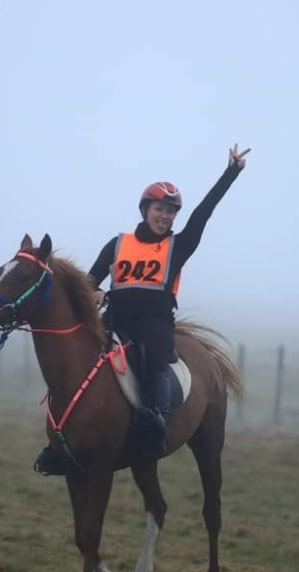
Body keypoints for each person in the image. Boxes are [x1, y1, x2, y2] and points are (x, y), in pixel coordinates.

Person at [34, 143, 251, 475]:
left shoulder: (178, 245)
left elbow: (203, 213)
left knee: (152, 358)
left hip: (154, 323)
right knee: (80, 361)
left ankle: (156, 420)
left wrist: (230, 173)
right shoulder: (119, 243)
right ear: (145, 209)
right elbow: (90, 281)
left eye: (170, 211)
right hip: (116, 319)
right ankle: (60, 439)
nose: (165, 216)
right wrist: (95, 293)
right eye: (159, 209)